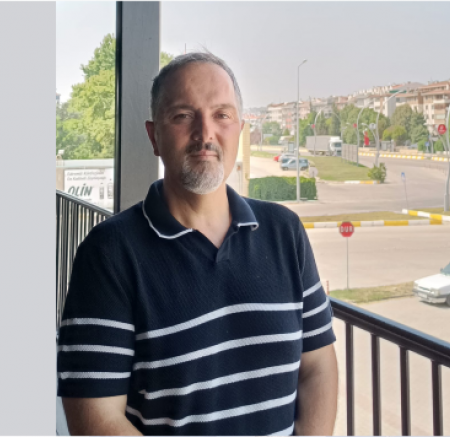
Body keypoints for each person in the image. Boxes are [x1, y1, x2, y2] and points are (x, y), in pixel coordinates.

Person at [57, 52, 338, 436]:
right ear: (154, 136)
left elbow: (318, 366)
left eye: (222, 115)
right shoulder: (108, 254)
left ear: (240, 130)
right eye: (183, 115)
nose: (205, 133)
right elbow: (94, 417)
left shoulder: (284, 232)